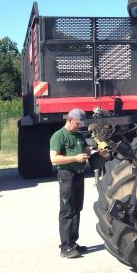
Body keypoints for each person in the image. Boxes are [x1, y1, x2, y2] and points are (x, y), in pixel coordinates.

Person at [50, 108, 91, 259]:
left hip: (79, 175)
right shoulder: (58, 136)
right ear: (70, 120)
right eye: (78, 123)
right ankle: (65, 246)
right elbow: (54, 159)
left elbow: (87, 150)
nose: (80, 126)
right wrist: (75, 159)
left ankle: (73, 243)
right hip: (67, 175)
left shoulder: (79, 135)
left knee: (76, 209)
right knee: (67, 210)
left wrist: (96, 152)